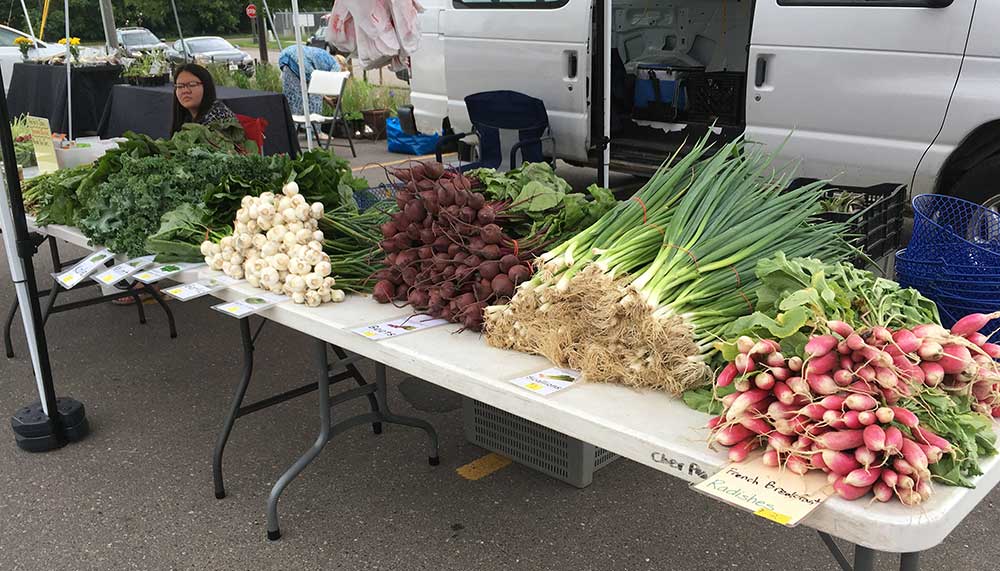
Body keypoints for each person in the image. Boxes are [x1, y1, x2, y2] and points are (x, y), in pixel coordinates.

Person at [170, 63, 237, 134]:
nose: (185, 91)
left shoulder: (217, 118)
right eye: (180, 86)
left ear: (206, 87)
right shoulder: (186, 117)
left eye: (192, 85)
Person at [279, 44, 340, 119]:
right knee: (313, 98)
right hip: (299, 58)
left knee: (294, 99)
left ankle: (294, 126)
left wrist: (327, 99)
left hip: (286, 56)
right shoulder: (336, 67)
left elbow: (313, 85)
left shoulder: (326, 57)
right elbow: (317, 86)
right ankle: (314, 128)